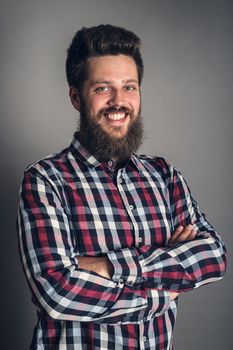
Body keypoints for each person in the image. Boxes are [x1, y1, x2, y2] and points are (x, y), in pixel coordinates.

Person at [17, 24, 226, 350]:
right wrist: (163, 286)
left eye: (129, 87)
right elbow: (58, 292)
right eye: (103, 88)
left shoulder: (163, 175)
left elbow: (213, 255)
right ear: (76, 97)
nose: (119, 101)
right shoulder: (46, 180)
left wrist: (105, 266)